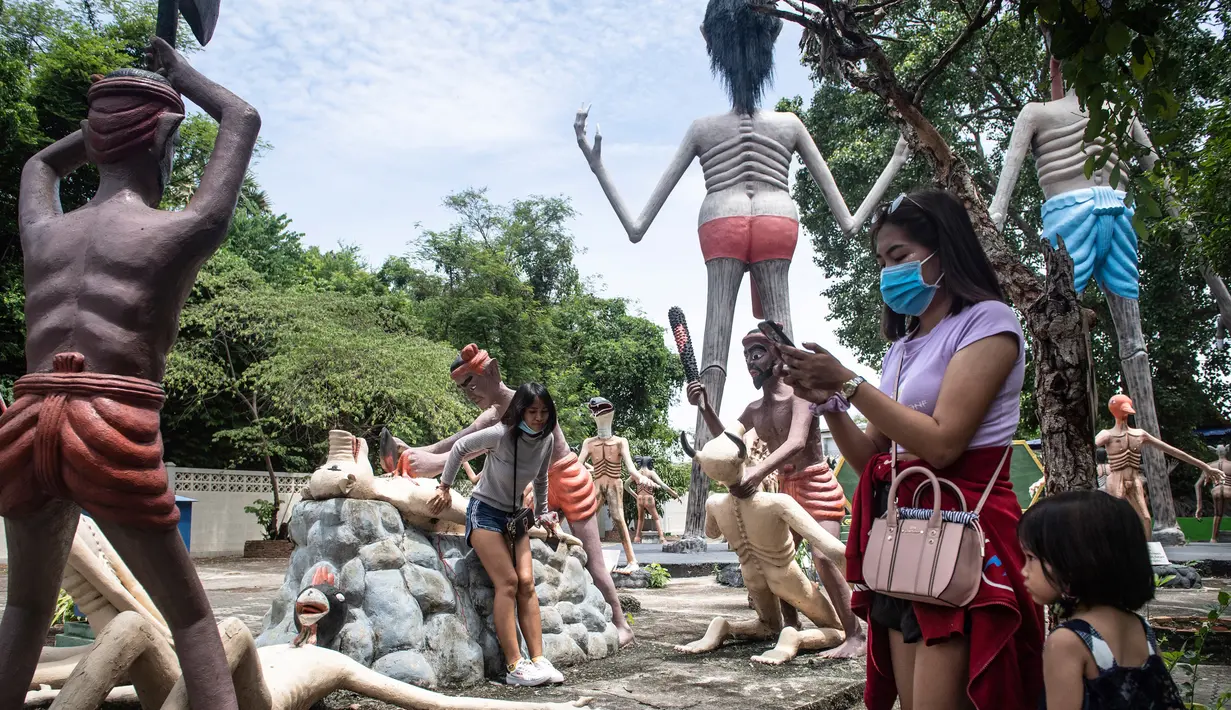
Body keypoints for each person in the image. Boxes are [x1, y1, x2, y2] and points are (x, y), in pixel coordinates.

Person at [776, 190, 1045, 710]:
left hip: (965, 532)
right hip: (903, 538)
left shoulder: (988, 322)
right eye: (881, 262)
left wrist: (851, 384)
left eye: (898, 257)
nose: (887, 272)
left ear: (942, 249)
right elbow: (874, 459)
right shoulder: (900, 348)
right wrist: (831, 403)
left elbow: (944, 444)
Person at [428, 383, 563, 687]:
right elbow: (461, 447)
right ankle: (515, 666)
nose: (539, 418)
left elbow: (541, 478)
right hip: (485, 512)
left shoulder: (547, 439)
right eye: (532, 411)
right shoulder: (502, 434)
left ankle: (538, 660)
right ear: (520, 411)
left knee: (527, 583)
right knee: (509, 582)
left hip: (515, 517)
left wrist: (543, 512)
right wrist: (445, 486)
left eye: (544, 412)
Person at [1019, 491, 1184, 710]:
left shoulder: (1067, 641)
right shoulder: (1141, 629)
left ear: (1073, 561)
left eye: (1031, 558)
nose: (1024, 571)